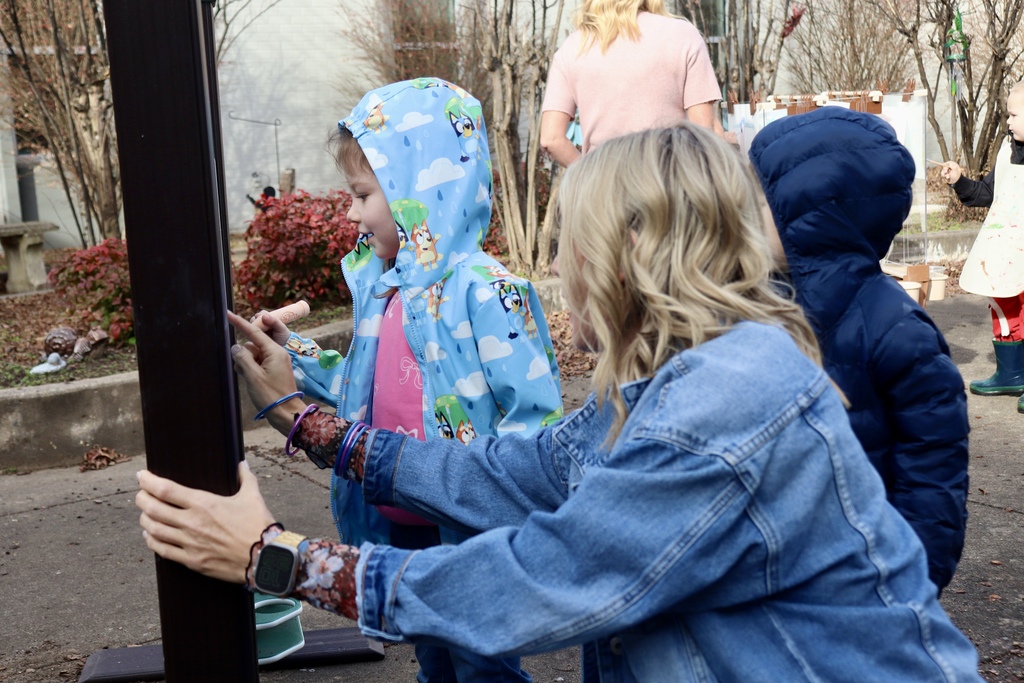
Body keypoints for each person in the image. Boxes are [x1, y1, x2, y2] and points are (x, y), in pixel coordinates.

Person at [137, 125, 984, 682]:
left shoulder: (724, 406)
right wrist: (313, 423)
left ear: (631, 253)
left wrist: (271, 555)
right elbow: (521, 472)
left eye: (570, 237)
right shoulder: (678, 380)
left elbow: (543, 577)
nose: (560, 264)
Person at [249, 77, 564, 683]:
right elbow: (357, 386)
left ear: (419, 189)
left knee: (483, 663)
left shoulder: (489, 293)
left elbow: (535, 420)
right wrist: (293, 351)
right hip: (399, 517)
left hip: (473, 528)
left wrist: (520, 524)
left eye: (362, 194)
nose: (351, 212)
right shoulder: (383, 287)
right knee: (430, 653)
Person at [748, 107, 970, 594]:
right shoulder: (753, 309)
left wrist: (907, 586)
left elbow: (934, 479)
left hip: (868, 579)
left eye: (759, 200)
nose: (740, 213)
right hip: (776, 578)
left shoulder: (899, 331)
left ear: (816, 212)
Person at [539, 0, 722, 167]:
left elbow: (551, 138)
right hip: (668, 183)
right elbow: (706, 129)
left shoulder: (573, 48)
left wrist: (590, 175)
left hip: (602, 190)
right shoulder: (682, 35)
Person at [938, 80, 1024, 414]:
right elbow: (984, 194)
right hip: (1006, 253)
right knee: (1003, 304)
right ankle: (1011, 373)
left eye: (1015, 114)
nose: (1009, 121)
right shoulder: (1007, 151)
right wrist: (959, 179)